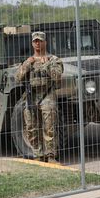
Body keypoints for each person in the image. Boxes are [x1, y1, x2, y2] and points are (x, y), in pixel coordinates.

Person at [15, 31, 63, 163]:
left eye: (40, 41)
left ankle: (51, 155)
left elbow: (57, 76)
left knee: (49, 126)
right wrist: (26, 65)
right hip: (32, 96)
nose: (37, 43)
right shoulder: (28, 61)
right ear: (32, 43)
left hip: (47, 95)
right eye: (35, 41)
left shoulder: (54, 60)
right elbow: (18, 78)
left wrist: (47, 65)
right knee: (31, 126)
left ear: (45, 42)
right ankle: (37, 154)